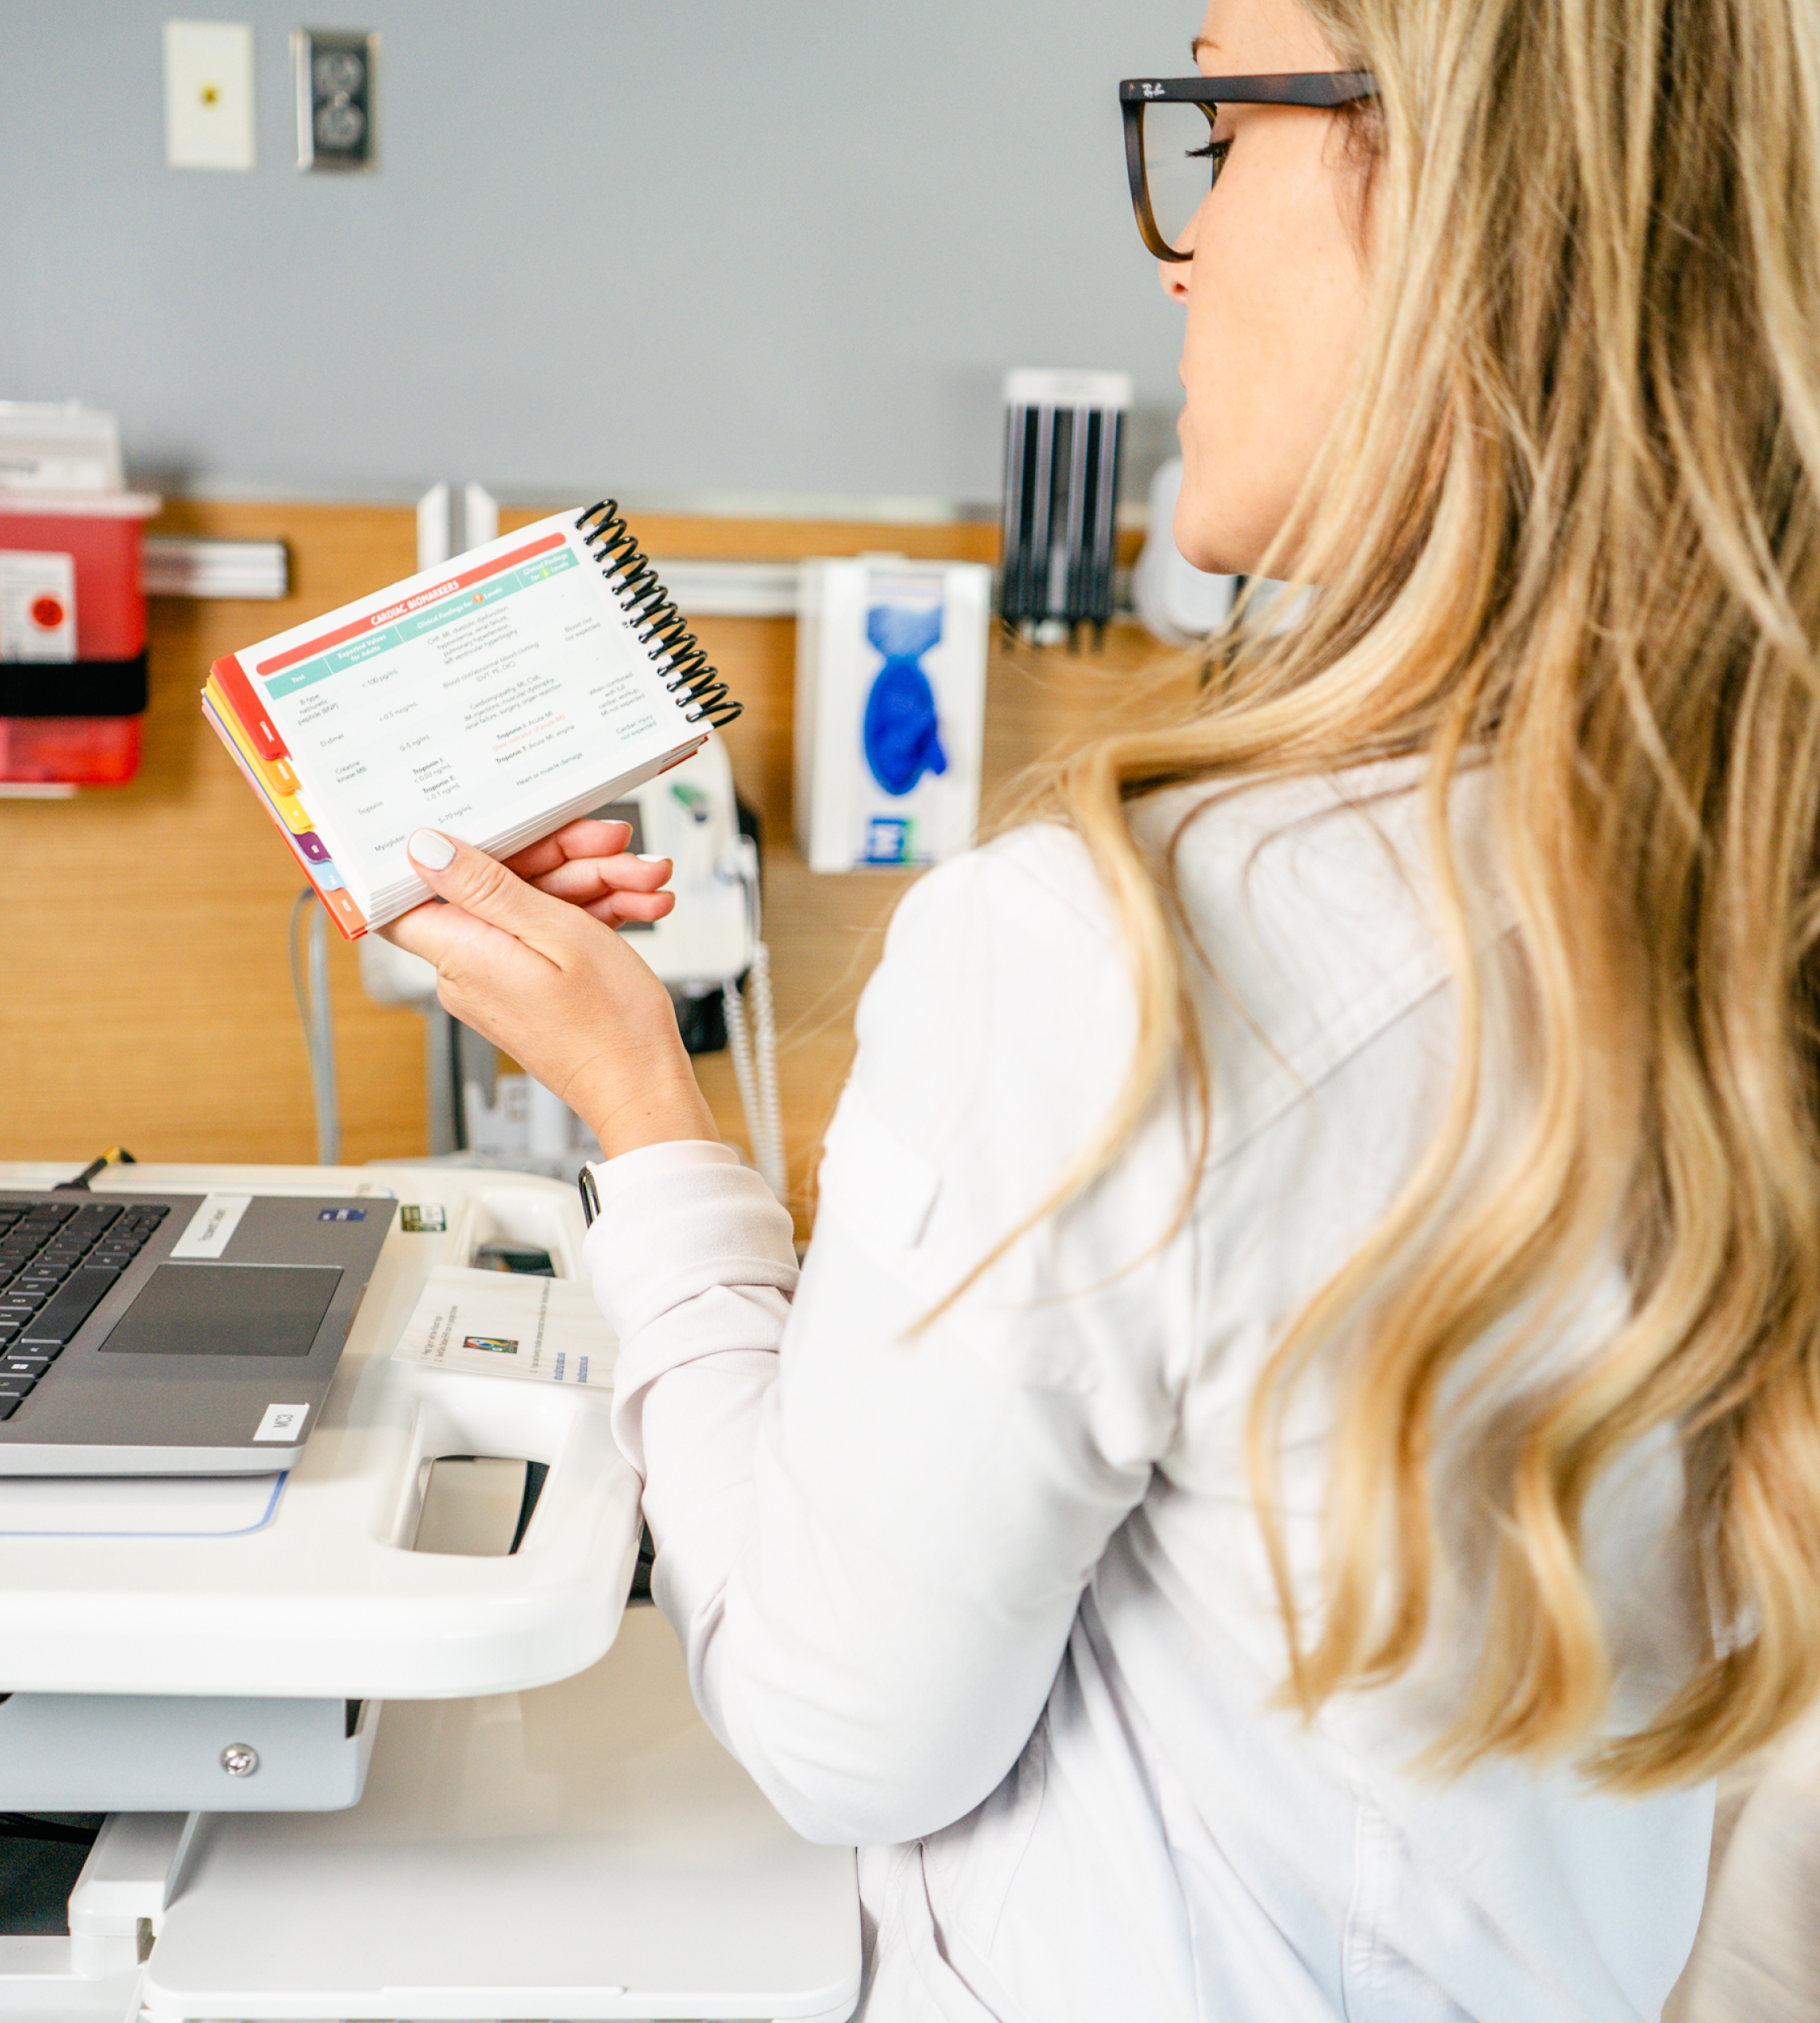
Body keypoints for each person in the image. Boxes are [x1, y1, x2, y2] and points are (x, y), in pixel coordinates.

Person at [384, 0, 1820, 2012]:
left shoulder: (1128, 955)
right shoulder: (1755, 912)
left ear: (1423, 184)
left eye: (1216, 132)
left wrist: (646, 1108)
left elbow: (836, 1726)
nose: (1172, 247)